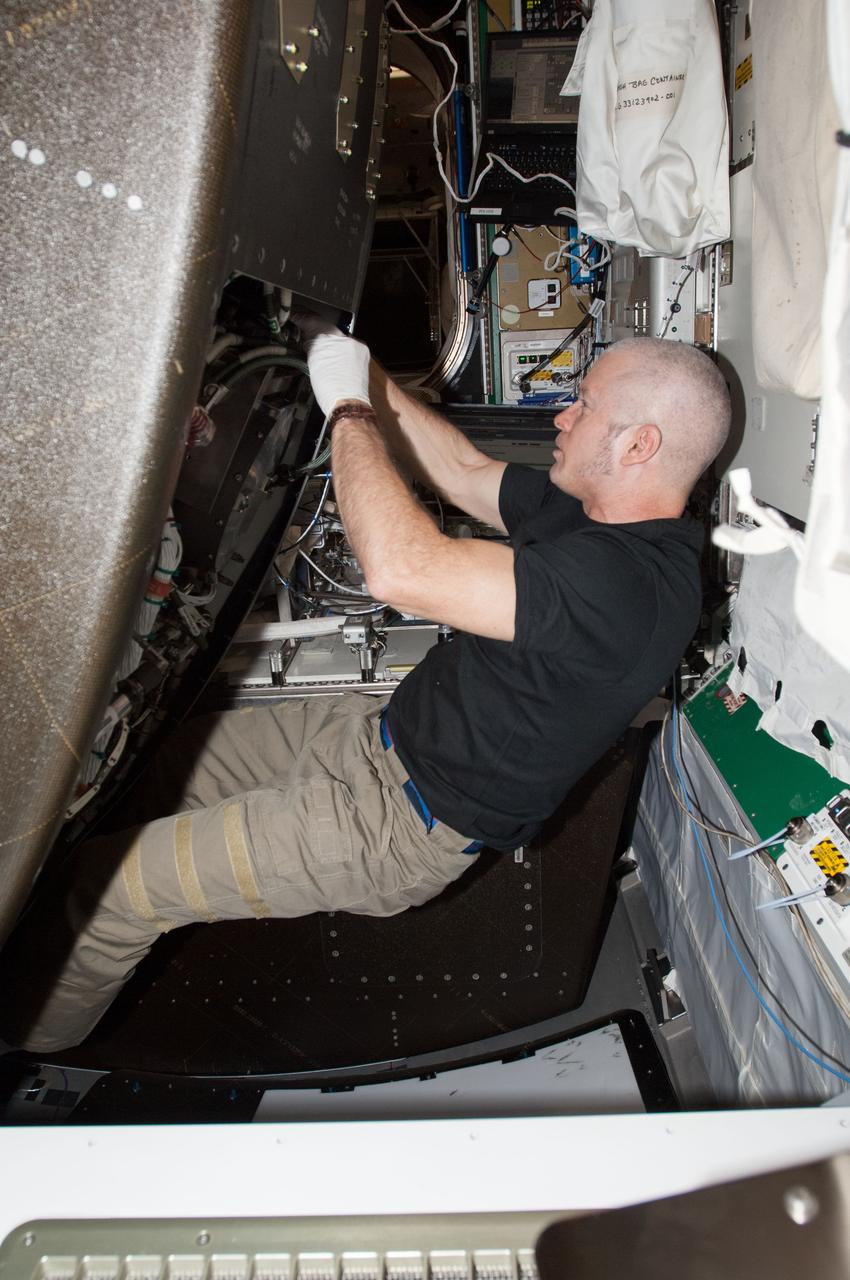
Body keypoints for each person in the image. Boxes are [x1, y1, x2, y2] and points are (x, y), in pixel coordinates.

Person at [7, 330, 730, 1051]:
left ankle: (28, 1066)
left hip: (392, 825)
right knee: (164, 765)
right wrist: (364, 366)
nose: (560, 417)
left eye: (583, 405)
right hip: (369, 736)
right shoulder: (592, 512)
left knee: (115, 895)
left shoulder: (634, 589)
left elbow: (401, 570)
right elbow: (461, 467)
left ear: (638, 446)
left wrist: (350, 410)